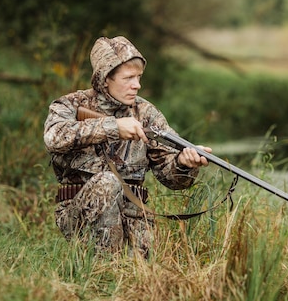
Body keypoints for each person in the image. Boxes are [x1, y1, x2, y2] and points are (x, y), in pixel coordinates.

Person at [44, 35, 211, 256]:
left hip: (134, 217)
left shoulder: (146, 113)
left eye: (139, 77)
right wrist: (113, 127)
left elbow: (172, 179)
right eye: (128, 78)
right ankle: (101, 270)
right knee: (107, 182)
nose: (137, 85)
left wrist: (183, 163)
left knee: (144, 276)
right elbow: (53, 136)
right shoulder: (70, 104)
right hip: (80, 216)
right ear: (105, 79)